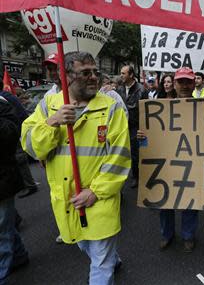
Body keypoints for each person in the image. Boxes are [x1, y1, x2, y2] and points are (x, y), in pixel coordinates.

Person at [21, 51, 131, 285]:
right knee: (86, 246)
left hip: (99, 199)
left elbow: (120, 156)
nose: (93, 77)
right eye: (85, 73)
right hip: (67, 202)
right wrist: (52, 123)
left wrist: (95, 192)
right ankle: (113, 258)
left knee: (100, 265)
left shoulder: (112, 108)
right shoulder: (49, 105)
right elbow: (31, 147)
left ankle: (109, 260)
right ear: (66, 76)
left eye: (95, 72)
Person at [138, 67, 199, 253]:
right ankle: (167, 234)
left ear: (194, 82)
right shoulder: (160, 107)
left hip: (194, 161)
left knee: (190, 200)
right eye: (181, 81)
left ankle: (188, 236)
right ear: (174, 84)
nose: (185, 85)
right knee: (166, 201)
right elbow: (151, 137)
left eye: (188, 81)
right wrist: (143, 135)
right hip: (167, 163)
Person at [0, 96, 29, 285]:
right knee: (4, 226)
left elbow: (11, 133)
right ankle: (18, 254)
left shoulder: (2, 104)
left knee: (1, 229)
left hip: (2, 177)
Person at [0, 80, 38, 199]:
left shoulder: (4, 98)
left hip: (18, 128)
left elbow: (14, 116)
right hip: (18, 127)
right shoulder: (6, 96)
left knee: (20, 158)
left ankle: (30, 185)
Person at [117, 65, 146, 189]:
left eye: (124, 73)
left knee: (135, 153)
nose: (121, 75)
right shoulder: (119, 89)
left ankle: (136, 176)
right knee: (122, 151)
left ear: (131, 75)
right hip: (122, 126)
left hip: (136, 126)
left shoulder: (141, 90)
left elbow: (144, 110)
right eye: (121, 73)